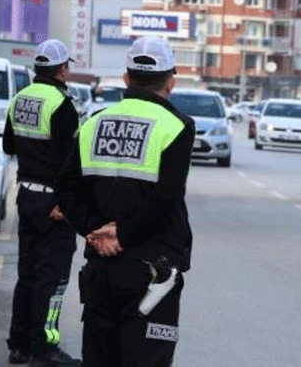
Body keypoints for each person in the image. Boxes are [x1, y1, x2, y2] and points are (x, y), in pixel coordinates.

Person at [56, 36, 194, 367]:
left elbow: (66, 187)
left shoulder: (94, 122)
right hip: (151, 273)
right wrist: (123, 236)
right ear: (171, 81)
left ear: (126, 78)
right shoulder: (177, 127)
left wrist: (95, 230)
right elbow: (166, 198)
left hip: (101, 270)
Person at [3, 40, 81, 366]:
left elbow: (9, 145)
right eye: (68, 67)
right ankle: (43, 347)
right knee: (52, 280)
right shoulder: (61, 105)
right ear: (61, 69)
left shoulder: (19, 99)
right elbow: (70, 162)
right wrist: (66, 203)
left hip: (27, 197)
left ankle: (18, 346)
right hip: (54, 204)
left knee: (28, 274)